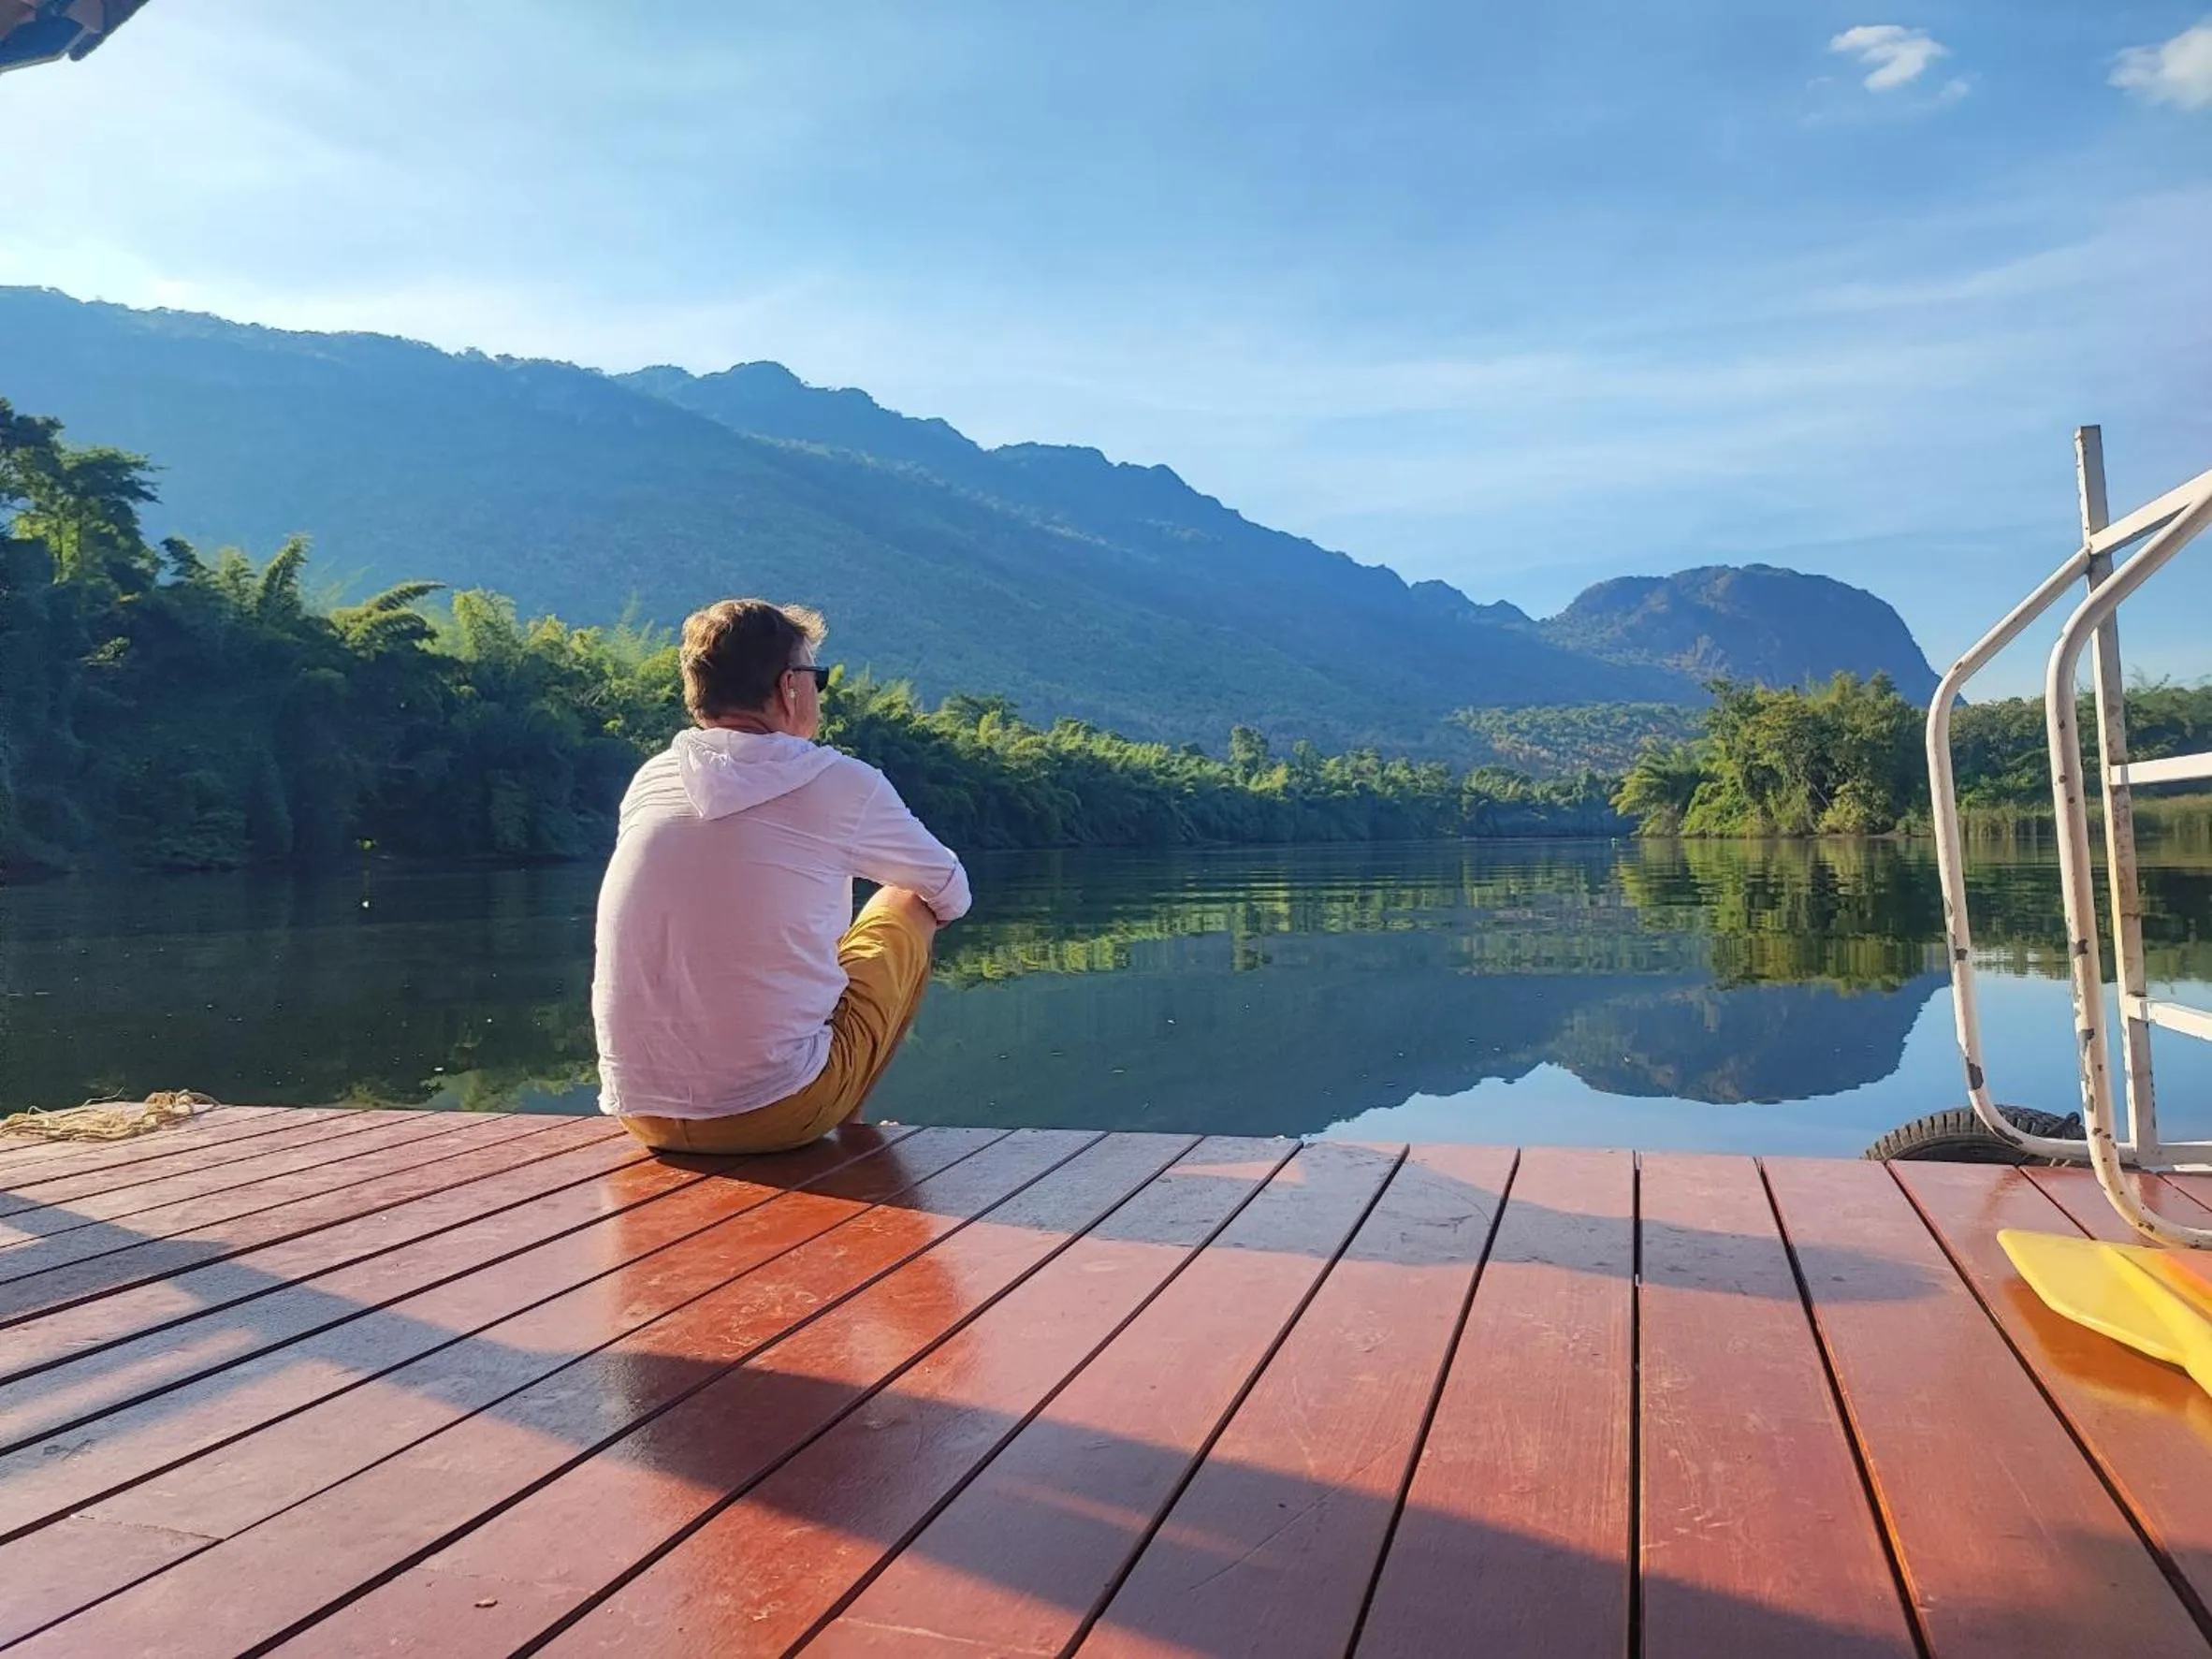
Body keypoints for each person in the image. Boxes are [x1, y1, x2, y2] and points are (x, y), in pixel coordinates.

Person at [590, 598, 970, 1154]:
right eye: (818, 677)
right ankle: (847, 1114)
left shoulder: (653, 777)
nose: (818, 691)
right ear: (790, 686)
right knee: (907, 899)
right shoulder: (840, 782)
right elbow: (951, 891)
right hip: (775, 1112)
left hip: (641, 1112)